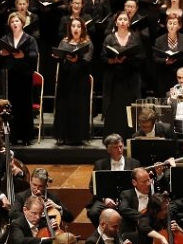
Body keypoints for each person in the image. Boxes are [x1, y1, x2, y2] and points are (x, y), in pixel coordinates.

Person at [0, 12, 39, 145]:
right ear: (9, 24)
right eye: (12, 21)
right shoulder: (5, 39)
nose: (15, 23)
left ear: (22, 23)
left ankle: (26, 137)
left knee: (25, 106)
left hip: (25, 76)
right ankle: (13, 137)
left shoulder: (30, 39)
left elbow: (34, 54)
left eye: (17, 21)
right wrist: (2, 53)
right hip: (10, 76)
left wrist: (23, 55)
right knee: (11, 107)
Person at [102, 11, 145, 139]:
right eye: (120, 19)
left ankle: (130, 136)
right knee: (114, 108)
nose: (122, 22)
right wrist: (114, 60)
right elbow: (103, 57)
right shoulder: (109, 38)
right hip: (114, 78)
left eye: (125, 19)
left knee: (130, 106)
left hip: (130, 78)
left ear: (129, 22)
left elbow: (142, 56)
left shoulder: (135, 37)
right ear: (116, 22)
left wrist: (128, 59)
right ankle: (113, 137)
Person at [51, 16, 93, 146]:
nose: (76, 29)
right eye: (73, 26)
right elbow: (59, 56)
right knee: (64, 106)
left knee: (78, 106)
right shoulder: (64, 42)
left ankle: (78, 137)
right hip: (66, 78)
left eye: (78, 26)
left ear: (82, 29)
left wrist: (77, 59)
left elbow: (88, 60)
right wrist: (57, 57)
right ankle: (62, 136)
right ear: (70, 28)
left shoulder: (87, 43)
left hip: (80, 79)